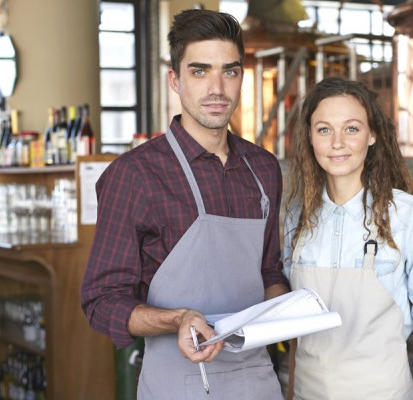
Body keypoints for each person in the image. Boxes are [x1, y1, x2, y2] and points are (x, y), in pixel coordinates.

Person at [80, 9, 288, 400]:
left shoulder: (264, 168)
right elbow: (101, 300)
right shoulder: (135, 175)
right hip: (177, 384)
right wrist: (178, 319)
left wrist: (283, 311)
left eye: (230, 71)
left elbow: (269, 270)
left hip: (258, 379)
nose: (217, 88)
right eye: (199, 71)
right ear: (175, 80)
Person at [282, 77, 413, 400]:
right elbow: (297, 329)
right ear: (310, 137)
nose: (338, 143)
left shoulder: (409, 216)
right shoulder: (297, 217)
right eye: (324, 129)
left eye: (351, 128)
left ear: (373, 134)